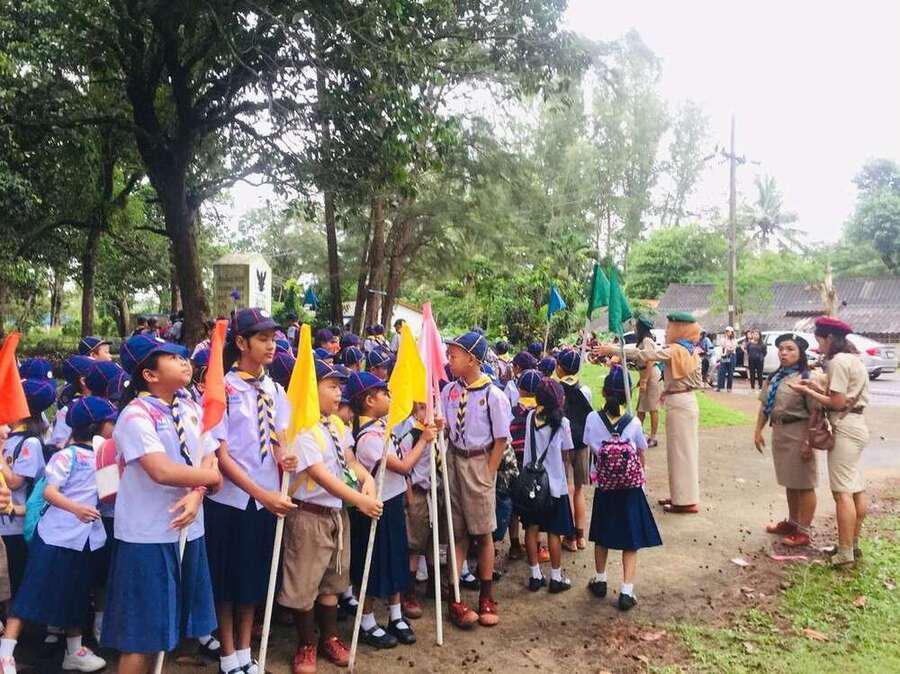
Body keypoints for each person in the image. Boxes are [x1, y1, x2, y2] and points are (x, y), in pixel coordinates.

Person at [101, 334, 222, 674]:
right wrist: (210, 479)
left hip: (189, 528)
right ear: (149, 375)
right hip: (148, 536)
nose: (184, 361)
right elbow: (161, 470)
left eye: (183, 356)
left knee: (171, 629)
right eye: (171, 357)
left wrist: (198, 492)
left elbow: (209, 454)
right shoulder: (135, 416)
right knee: (141, 636)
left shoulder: (189, 406)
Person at [206, 308, 297, 674]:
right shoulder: (223, 390)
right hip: (232, 500)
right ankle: (227, 654)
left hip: (265, 502)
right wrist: (261, 494)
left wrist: (284, 455)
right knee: (227, 580)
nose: (271, 345)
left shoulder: (274, 390)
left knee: (252, 578)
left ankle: (246, 651)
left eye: (273, 338)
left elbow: (278, 438)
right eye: (262, 339)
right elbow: (222, 455)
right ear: (241, 343)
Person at [278, 359, 382, 673]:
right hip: (309, 517)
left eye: (340, 387)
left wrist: (367, 479)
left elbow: (349, 459)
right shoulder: (302, 428)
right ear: (312, 389)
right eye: (332, 387)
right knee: (304, 583)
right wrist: (359, 500)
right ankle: (306, 643)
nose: (339, 393)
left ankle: (330, 638)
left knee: (332, 581)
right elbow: (320, 475)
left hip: (336, 515)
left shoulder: (335, 424)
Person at [1, 397, 117, 674]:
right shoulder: (67, 455)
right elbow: (49, 492)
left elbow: (108, 496)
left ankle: (73, 650)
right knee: (32, 593)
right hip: (55, 538)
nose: (115, 426)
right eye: (111, 422)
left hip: (85, 540)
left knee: (76, 593)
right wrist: (76, 509)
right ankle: (6, 653)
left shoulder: (104, 457)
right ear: (97, 426)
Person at [347, 372, 436, 648]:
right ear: (369, 400)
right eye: (384, 393)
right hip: (375, 508)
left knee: (396, 558)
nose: (390, 397)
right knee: (373, 564)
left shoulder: (384, 427)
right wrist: (424, 440)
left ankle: (396, 615)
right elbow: (404, 465)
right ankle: (367, 620)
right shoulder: (368, 439)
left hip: (393, 500)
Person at [595, 312, 703, 514]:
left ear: (680, 329)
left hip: (680, 405)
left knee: (681, 453)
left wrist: (614, 349)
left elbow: (645, 355)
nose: (667, 331)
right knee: (680, 452)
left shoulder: (677, 350)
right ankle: (680, 496)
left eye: (670, 327)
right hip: (683, 401)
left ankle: (685, 501)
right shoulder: (687, 349)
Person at [441, 332, 512, 629]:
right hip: (454, 461)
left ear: (471, 359)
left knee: (483, 532)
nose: (448, 360)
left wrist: (489, 472)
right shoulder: (449, 391)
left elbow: (501, 439)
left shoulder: (493, 395)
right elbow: (445, 427)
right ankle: (455, 597)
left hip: (479, 463)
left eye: (453, 356)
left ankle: (486, 595)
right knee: (457, 532)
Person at [788, 317, 869, 568]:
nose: (819, 346)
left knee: (842, 492)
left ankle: (844, 554)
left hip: (845, 427)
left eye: (820, 340)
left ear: (830, 338)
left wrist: (808, 391)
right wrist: (816, 386)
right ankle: (852, 545)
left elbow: (837, 403)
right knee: (855, 488)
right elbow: (842, 396)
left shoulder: (838, 362)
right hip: (857, 424)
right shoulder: (854, 359)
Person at [583, 366, 662, 611]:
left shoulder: (592, 419)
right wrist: (642, 478)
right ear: (627, 394)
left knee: (602, 534)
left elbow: (589, 445)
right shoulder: (634, 422)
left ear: (604, 391)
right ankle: (627, 591)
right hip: (630, 488)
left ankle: (600, 580)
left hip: (605, 486)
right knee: (631, 538)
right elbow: (641, 452)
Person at [753, 333, 818, 547]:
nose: (784, 353)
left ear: (800, 353)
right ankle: (792, 523)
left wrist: (809, 441)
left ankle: (804, 531)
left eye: (790, 349)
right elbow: (765, 406)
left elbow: (815, 413)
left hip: (799, 431)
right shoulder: (775, 377)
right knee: (790, 481)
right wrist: (758, 430)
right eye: (781, 348)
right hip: (780, 432)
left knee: (804, 483)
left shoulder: (806, 378)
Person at [0, 379, 54, 598]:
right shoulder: (9, 436)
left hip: (16, 525)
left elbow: (15, 482)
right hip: (4, 525)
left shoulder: (30, 443)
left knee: (14, 583)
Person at [521, 378, 575, 594]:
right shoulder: (563, 423)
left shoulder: (530, 417)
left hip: (531, 484)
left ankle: (535, 575)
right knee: (554, 532)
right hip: (554, 486)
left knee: (531, 528)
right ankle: (556, 577)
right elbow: (566, 452)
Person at [554, 349, 593, 552]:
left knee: (567, 489)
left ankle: (569, 537)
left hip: (564, 445)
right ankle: (581, 536)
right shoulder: (585, 390)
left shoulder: (556, 390)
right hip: (582, 445)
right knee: (578, 490)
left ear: (560, 368)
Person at [507, 370, 543, 561]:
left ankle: (514, 545)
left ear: (519, 389)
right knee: (535, 503)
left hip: (514, 463)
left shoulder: (511, 411)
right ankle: (535, 545)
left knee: (513, 505)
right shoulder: (541, 414)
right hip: (535, 466)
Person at [633, 317, 662, 447]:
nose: (634, 329)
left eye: (636, 326)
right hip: (645, 374)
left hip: (651, 375)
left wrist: (644, 380)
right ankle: (637, 435)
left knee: (652, 407)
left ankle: (653, 437)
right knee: (641, 408)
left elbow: (650, 360)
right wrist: (641, 379)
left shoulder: (647, 341)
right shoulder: (643, 340)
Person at [716, 326, 737, 392]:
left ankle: (729, 388)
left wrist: (728, 348)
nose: (727, 333)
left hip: (731, 356)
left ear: (732, 332)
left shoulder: (734, 340)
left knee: (730, 372)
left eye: (729, 331)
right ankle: (719, 387)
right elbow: (722, 346)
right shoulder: (723, 339)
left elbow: (732, 348)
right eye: (726, 331)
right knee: (721, 371)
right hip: (724, 356)